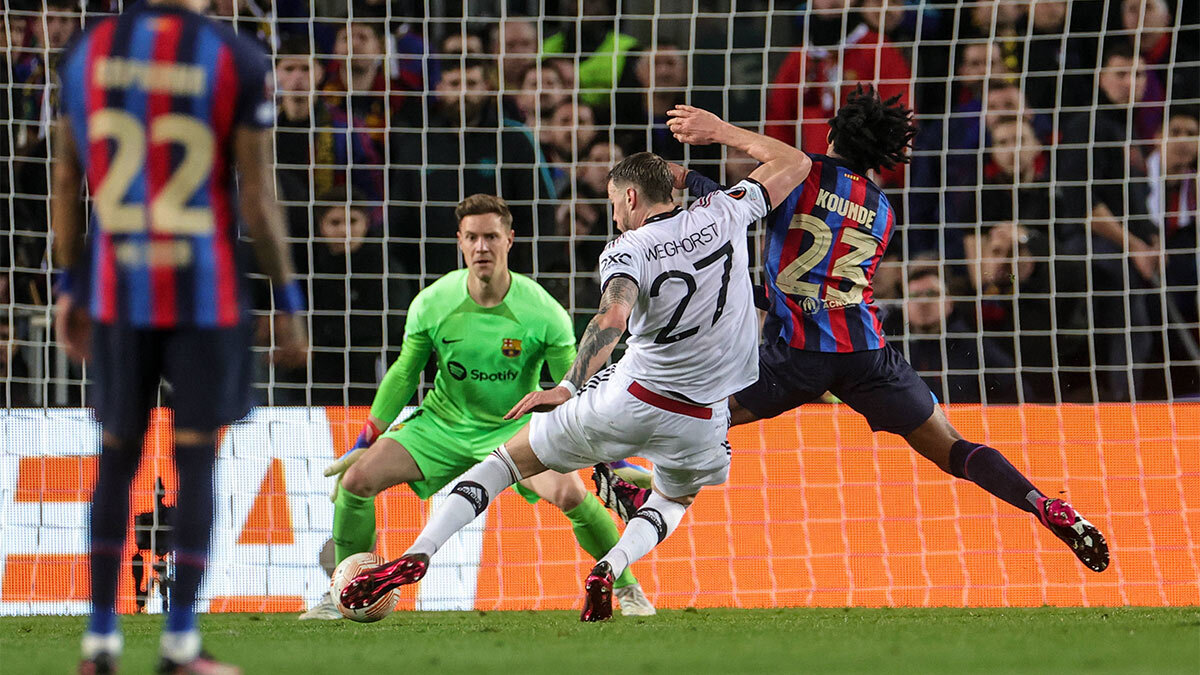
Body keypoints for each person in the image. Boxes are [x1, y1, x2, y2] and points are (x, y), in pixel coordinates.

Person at [599, 86, 1109, 576]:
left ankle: (629, 482)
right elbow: (827, 278)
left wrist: (695, 168)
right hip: (866, 353)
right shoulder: (884, 211)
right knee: (954, 449)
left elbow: (737, 204)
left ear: (831, 137)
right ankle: (1043, 504)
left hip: (795, 356)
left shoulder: (804, 172)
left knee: (698, 416)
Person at [339, 111, 811, 621]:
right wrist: (719, 135)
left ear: (631, 197)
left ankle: (418, 553)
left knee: (502, 465)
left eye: (614, 202)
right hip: (703, 416)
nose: (614, 215)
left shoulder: (627, 249)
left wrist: (567, 387)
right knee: (673, 501)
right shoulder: (726, 209)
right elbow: (796, 162)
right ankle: (610, 566)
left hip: (632, 395)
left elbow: (611, 318)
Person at [52, 0, 307, 672]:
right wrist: (287, 298)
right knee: (195, 462)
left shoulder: (87, 51)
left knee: (116, 457)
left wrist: (68, 284)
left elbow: (66, 178)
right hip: (204, 295)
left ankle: (100, 642)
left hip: (117, 290)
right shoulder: (235, 57)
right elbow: (258, 198)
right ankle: (180, 643)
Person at [302, 194, 655, 620]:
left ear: (510, 240)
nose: (481, 247)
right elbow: (403, 374)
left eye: (491, 236)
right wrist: (364, 441)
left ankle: (628, 589)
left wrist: (613, 460)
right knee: (356, 481)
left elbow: (577, 387)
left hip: (514, 427)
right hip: (442, 424)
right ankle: (340, 593)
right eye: (472, 237)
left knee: (572, 493)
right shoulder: (433, 302)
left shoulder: (543, 312)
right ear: (460, 241)